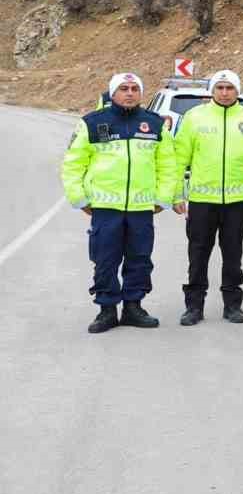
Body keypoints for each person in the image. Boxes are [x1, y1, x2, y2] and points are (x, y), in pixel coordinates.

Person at [61, 72, 178, 334]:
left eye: (134, 88)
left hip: (141, 209)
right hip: (105, 209)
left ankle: (133, 307)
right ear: (112, 93)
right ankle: (106, 310)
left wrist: (163, 198)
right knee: (105, 259)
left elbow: (168, 165)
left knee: (140, 258)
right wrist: (79, 199)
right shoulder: (91, 123)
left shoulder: (155, 124)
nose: (129, 93)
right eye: (123, 88)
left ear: (141, 93)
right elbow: (73, 164)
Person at [172, 69, 243, 326]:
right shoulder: (194, 117)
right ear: (212, 91)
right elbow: (180, 159)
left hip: (238, 202)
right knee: (198, 254)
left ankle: (233, 305)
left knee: (233, 255)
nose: (224, 93)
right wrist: (177, 194)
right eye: (220, 88)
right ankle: (194, 306)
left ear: (238, 91)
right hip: (202, 201)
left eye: (229, 88)